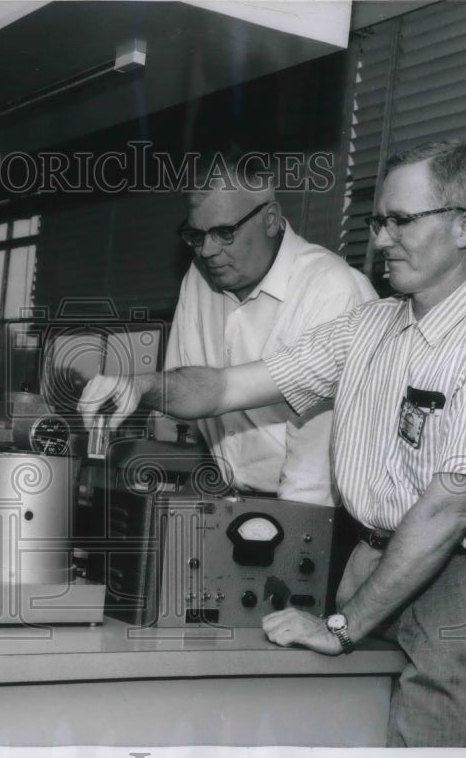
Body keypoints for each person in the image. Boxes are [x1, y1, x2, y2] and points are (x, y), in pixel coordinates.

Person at [80, 140, 466, 747]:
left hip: (459, 589)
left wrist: (344, 625)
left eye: (400, 221)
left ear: (464, 227)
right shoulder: (372, 324)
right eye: (378, 221)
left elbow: (447, 510)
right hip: (372, 565)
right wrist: (138, 384)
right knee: (342, 735)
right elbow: (230, 385)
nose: (381, 239)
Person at [156, 147, 375, 505]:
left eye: (224, 232)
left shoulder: (331, 290)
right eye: (196, 236)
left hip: (314, 512)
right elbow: (188, 396)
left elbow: (312, 481)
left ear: (270, 219)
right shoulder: (198, 279)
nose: (207, 251)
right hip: (230, 498)